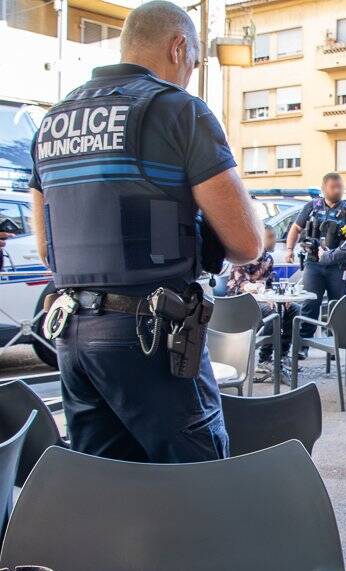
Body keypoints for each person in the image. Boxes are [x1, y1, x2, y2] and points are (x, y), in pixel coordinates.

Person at [28, 1, 262, 463]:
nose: (190, 73)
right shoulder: (179, 110)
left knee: (108, 482)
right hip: (152, 334)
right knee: (202, 480)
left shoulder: (54, 120)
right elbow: (246, 243)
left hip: (73, 333)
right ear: (178, 47)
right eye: (193, 62)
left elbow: (46, 250)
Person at [285, 173, 346, 344]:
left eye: (340, 187)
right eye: (333, 187)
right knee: (310, 304)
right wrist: (289, 249)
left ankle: (336, 345)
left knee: (338, 306)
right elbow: (296, 228)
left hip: (338, 265)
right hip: (313, 264)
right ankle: (303, 345)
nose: (338, 190)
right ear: (324, 188)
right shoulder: (312, 206)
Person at [226, 226, 298, 371]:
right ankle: (264, 359)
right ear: (259, 237)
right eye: (270, 237)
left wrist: (283, 297)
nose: (274, 240)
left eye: (274, 236)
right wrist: (262, 292)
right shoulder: (244, 256)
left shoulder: (268, 259)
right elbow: (242, 285)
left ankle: (282, 355)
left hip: (260, 300)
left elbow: (270, 285)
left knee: (294, 309)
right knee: (273, 312)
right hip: (239, 302)